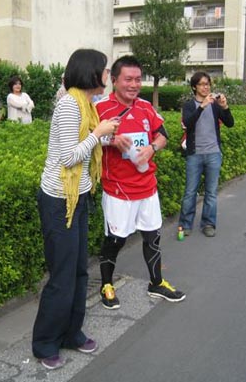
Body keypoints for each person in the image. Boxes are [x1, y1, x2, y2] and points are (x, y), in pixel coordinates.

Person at [32, 49, 119, 370]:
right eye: (105, 70)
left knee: (80, 270)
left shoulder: (88, 103)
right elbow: (69, 157)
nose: (108, 75)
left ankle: (71, 333)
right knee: (63, 275)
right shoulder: (70, 104)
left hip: (79, 196)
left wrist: (109, 138)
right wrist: (98, 134)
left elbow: (87, 143)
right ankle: (45, 343)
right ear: (90, 72)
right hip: (59, 200)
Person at [95, 55, 186, 310]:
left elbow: (163, 134)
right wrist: (112, 140)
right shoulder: (100, 108)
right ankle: (106, 285)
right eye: (128, 79)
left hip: (147, 186)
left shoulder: (145, 107)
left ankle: (156, 283)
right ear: (115, 80)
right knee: (115, 239)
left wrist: (152, 148)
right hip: (118, 188)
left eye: (138, 79)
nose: (134, 85)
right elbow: (88, 138)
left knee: (152, 236)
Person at [178, 71, 234, 239]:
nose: (206, 87)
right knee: (190, 192)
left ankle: (208, 224)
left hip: (213, 153)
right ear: (194, 87)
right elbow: (187, 124)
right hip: (194, 154)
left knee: (211, 192)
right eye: (202, 84)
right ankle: (185, 224)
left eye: (208, 84)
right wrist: (201, 107)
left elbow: (230, 123)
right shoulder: (189, 106)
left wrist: (225, 107)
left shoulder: (215, 105)